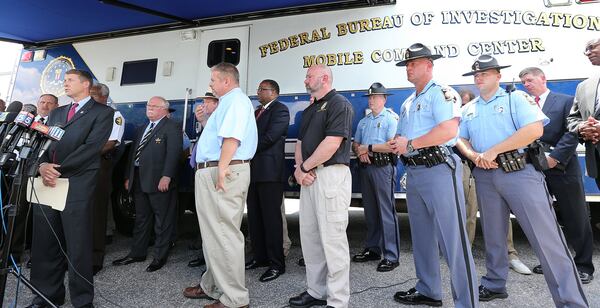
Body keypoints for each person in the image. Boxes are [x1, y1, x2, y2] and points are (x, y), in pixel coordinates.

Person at [457, 55, 588, 306]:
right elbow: (459, 138)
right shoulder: (469, 108)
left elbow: (534, 130)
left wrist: (494, 150)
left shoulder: (515, 98)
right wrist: (473, 154)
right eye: (476, 74)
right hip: (484, 175)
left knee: (546, 238)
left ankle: (570, 300)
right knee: (494, 237)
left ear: (498, 75)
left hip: (519, 172)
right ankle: (495, 283)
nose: (479, 77)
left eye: (485, 73)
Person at [389, 43, 478, 308]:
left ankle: (467, 302)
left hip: (439, 169)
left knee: (453, 240)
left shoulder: (442, 93)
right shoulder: (408, 101)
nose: (409, 67)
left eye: (413, 63)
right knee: (422, 236)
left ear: (429, 64)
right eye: (407, 64)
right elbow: (403, 138)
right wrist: (397, 144)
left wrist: (412, 144)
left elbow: (449, 131)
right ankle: (429, 290)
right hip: (414, 172)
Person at [29, 69, 113, 308]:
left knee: (77, 246)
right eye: (64, 81)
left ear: (86, 84)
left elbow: (90, 148)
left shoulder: (103, 113)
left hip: (75, 185)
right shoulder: (57, 112)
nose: (64, 84)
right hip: (47, 182)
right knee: (45, 244)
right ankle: (46, 296)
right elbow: (41, 142)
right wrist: (41, 165)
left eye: (70, 80)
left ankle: (82, 301)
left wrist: (57, 169)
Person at [183, 62, 257, 308]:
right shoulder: (228, 102)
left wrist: (222, 170)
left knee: (224, 234)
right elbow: (218, 137)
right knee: (214, 234)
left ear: (227, 81)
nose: (210, 85)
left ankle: (235, 298)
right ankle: (213, 285)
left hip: (222, 170)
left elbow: (232, 138)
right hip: (216, 169)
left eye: (213, 80)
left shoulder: (235, 101)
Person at [520, 66, 595, 283]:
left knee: (576, 218)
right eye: (523, 82)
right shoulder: (522, 105)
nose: (526, 84)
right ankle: (554, 261)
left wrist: (555, 157)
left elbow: (573, 131)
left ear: (543, 79)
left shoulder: (564, 100)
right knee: (544, 219)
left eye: (529, 80)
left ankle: (584, 266)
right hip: (533, 168)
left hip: (562, 167)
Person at [288, 64, 354, 308]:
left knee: (332, 239)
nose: (305, 79)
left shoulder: (339, 104)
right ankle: (316, 291)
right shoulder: (310, 109)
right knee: (311, 238)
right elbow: (300, 141)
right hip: (309, 177)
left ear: (324, 78)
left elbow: (332, 143)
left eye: (309, 76)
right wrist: (299, 169)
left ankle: (337, 300)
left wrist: (304, 168)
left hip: (330, 176)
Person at [458, 90, 532, 276]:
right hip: (469, 167)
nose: (463, 106)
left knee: (500, 214)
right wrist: (474, 157)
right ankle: (463, 254)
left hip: (492, 166)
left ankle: (510, 255)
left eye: (466, 101)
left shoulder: (492, 110)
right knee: (468, 212)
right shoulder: (462, 116)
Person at [112, 96, 182, 273]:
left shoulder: (172, 126)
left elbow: (173, 154)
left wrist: (167, 176)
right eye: (148, 105)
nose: (149, 108)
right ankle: (137, 253)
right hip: (139, 179)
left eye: (154, 106)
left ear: (165, 109)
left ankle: (160, 256)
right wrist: (129, 176)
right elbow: (133, 154)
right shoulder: (142, 127)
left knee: (162, 220)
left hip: (159, 181)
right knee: (141, 219)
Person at [351, 82, 401, 272]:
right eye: (370, 97)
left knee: (386, 212)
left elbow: (392, 145)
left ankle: (391, 255)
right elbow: (356, 143)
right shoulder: (364, 121)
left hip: (383, 167)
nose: (371, 100)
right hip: (366, 167)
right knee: (370, 212)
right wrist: (360, 151)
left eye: (375, 97)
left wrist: (368, 148)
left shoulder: (390, 119)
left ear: (384, 99)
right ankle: (373, 249)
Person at [245, 79, 290, 282]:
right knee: (254, 217)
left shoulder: (280, 110)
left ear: (274, 92)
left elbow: (271, 137)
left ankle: (276, 264)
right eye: (259, 88)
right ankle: (260, 257)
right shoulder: (256, 112)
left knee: (272, 220)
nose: (258, 92)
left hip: (270, 173)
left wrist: (245, 150)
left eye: (262, 89)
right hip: (253, 172)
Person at [89, 83, 124, 275]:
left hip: (99, 164)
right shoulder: (84, 113)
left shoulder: (114, 115)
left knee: (97, 210)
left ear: (104, 96)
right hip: (80, 164)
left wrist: (85, 155)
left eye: (94, 94)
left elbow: (111, 143)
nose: (90, 97)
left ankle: (95, 257)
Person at [186, 89, 219, 269]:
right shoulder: (207, 121)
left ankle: (211, 260)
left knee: (213, 218)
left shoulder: (219, 119)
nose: (203, 105)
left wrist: (204, 122)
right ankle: (205, 253)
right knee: (204, 216)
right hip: (201, 170)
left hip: (213, 171)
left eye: (207, 102)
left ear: (216, 104)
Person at [567, 38, 600, 189]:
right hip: (597, 161)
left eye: (592, 47)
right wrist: (582, 128)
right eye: (586, 49)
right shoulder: (584, 87)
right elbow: (573, 119)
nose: (587, 53)